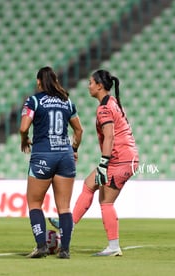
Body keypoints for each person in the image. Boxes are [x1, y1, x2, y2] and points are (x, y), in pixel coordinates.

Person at [49, 69, 139, 256]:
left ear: (99, 86)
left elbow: (109, 136)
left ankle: (113, 247)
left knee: (106, 202)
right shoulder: (111, 102)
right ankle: (69, 224)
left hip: (120, 160)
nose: (88, 86)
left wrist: (104, 164)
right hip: (122, 158)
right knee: (89, 185)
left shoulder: (104, 108)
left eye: (91, 82)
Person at [20, 66, 83, 259]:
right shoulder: (67, 102)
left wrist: (24, 139)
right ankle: (64, 249)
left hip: (43, 156)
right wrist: (73, 150)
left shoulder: (34, 101)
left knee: (34, 203)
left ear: (39, 81)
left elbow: (24, 127)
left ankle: (41, 246)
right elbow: (79, 131)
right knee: (64, 207)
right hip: (65, 156)